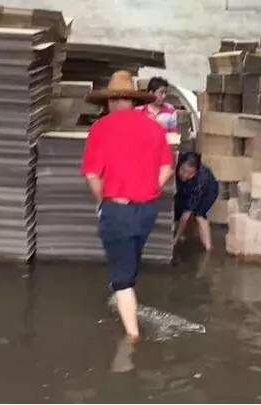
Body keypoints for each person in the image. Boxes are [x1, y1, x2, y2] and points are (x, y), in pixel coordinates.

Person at [81, 71, 174, 340]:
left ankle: (132, 339)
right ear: (132, 101)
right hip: (146, 210)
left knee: (122, 280)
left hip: (117, 209)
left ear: (110, 101)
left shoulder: (101, 128)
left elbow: (92, 175)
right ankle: (124, 298)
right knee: (130, 260)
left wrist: (102, 203)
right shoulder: (155, 127)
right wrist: (150, 189)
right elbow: (167, 168)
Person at [174, 152, 219, 251]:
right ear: (179, 165)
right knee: (180, 205)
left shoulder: (201, 180)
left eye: (189, 173)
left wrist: (174, 240)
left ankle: (208, 246)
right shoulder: (175, 165)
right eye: (183, 170)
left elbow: (186, 215)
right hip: (189, 187)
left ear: (195, 172)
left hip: (208, 190)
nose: (185, 175)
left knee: (199, 214)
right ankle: (182, 235)